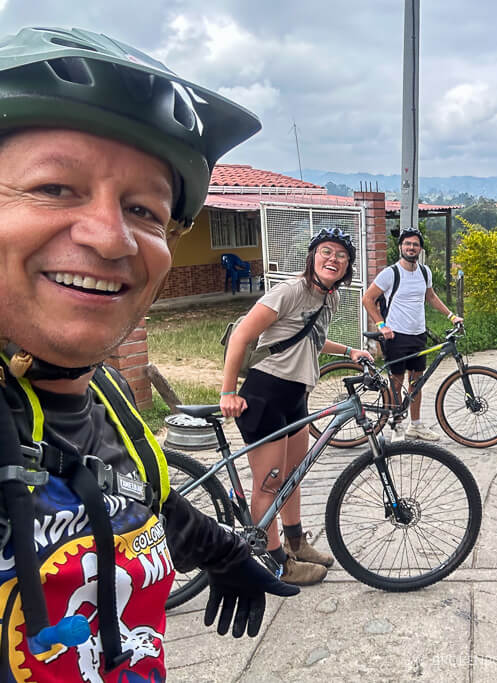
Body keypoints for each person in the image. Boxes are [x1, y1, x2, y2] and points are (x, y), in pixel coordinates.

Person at [0, 26, 298, 682]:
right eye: (54, 187)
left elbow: (142, 491)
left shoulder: (102, 395)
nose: (111, 238)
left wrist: (217, 548)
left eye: (143, 208)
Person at [219, 228, 373, 586]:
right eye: (326, 252)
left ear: (347, 266)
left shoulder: (328, 297)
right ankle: (276, 563)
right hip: (265, 393)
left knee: (292, 477)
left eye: (341, 256)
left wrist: (349, 351)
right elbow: (242, 335)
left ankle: (296, 543)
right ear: (312, 256)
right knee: (269, 484)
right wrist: (228, 391)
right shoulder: (290, 291)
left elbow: (312, 339)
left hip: (296, 396)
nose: (332, 259)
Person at [361, 227, 463, 441]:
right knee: (396, 383)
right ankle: (397, 425)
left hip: (418, 335)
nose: (411, 247)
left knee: (417, 382)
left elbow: (432, 297)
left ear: (420, 249)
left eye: (415, 244)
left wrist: (451, 316)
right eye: (407, 244)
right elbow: (367, 299)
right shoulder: (390, 273)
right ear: (400, 247)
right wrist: (381, 325)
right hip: (395, 335)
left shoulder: (425, 272)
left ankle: (415, 425)